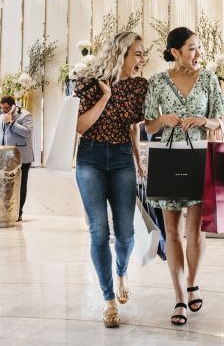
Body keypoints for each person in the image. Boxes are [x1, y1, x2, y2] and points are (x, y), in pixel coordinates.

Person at [143, 26, 224, 326]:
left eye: (198, 47)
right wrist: (162, 119)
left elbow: (221, 119)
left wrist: (205, 120)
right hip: (168, 157)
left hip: (199, 158)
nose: (197, 53)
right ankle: (179, 297)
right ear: (175, 52)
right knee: (173, 232)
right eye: (191, 47)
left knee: (196, 231)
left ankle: (192, 282)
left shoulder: (208, 79)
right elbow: (149, 126)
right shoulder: (157, 82)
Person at [73, 31, 148, 329]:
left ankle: (121, 272)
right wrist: (106, 96)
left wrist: (137, 158)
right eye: (138, 53)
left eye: (143, 54)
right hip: (90, 157)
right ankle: (108, 299)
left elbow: (132, 127)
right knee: (98, 231)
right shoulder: (90, 82)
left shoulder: (139, 86)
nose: (142, 59)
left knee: (127, 232)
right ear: (122, 53)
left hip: (120, 158)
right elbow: (80, 126)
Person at [0, 96, 34, 221]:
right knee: (6, 185)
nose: (4, 111)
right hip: (5, 158)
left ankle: (19, 212)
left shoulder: (25, 115)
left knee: (20, 185)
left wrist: (11, 123)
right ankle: (7, 210)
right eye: (2, 108)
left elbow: (27, 132)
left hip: (22, 157)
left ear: (13, 106)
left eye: (6, 108)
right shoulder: (0, 117)